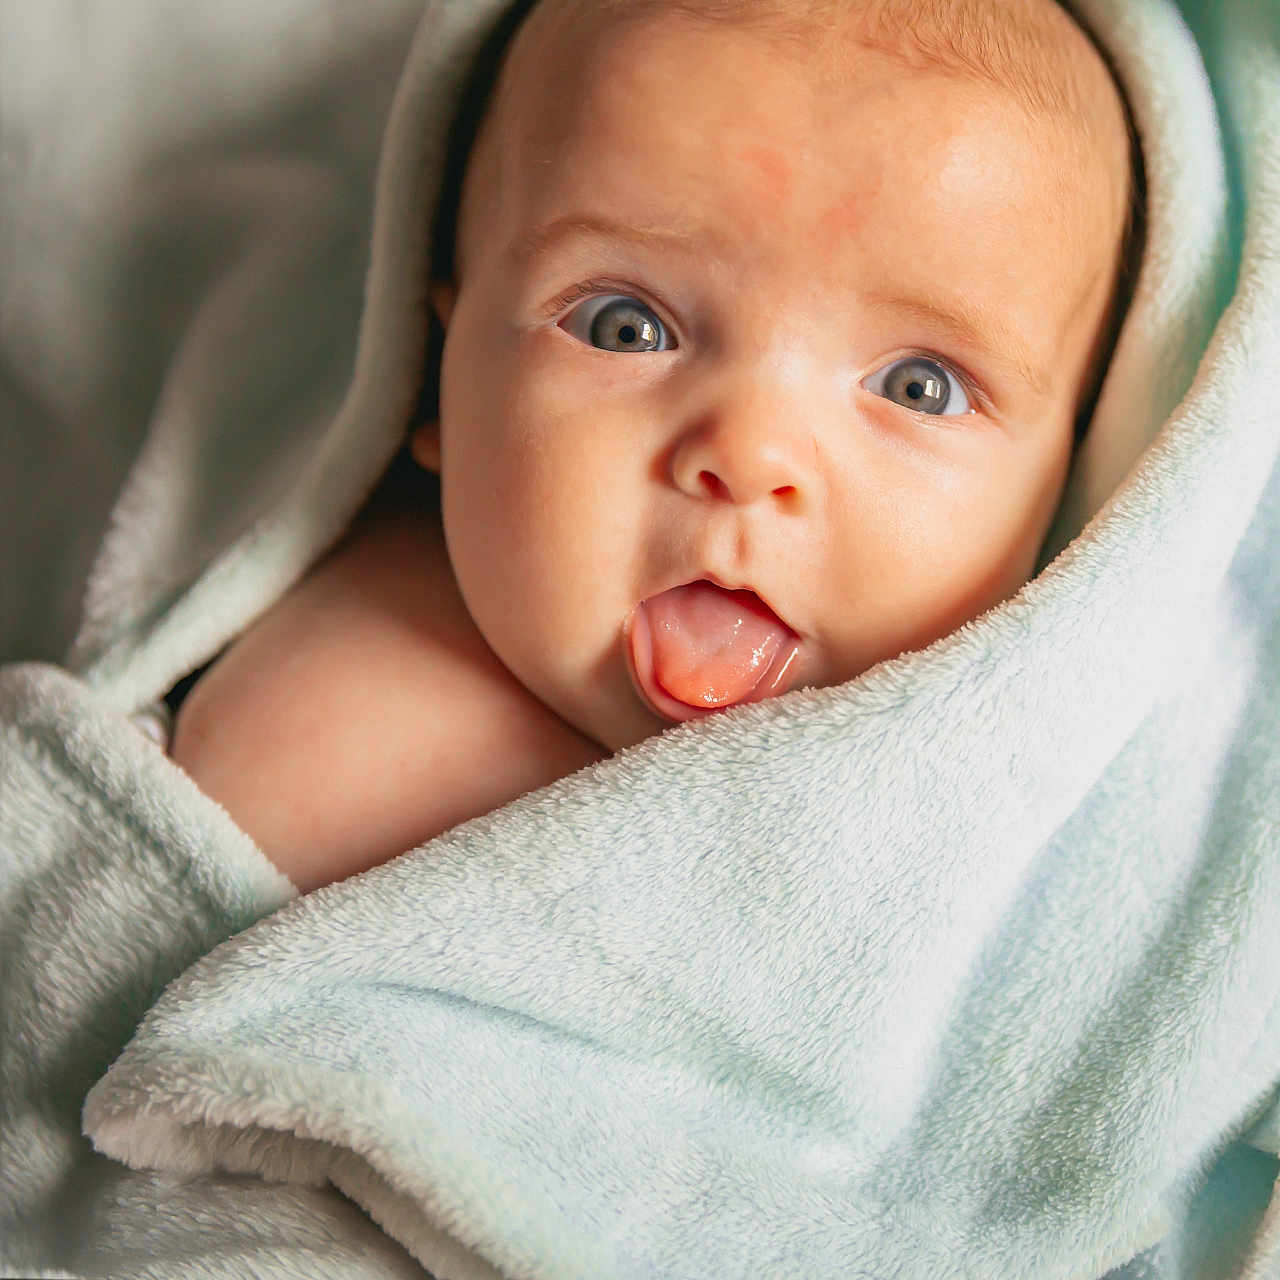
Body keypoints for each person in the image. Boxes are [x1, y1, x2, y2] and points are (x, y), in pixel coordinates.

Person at [167, 0, 1140, 892]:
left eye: (918, 388)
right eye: (624, 328)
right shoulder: (351, 696)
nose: (750, 456)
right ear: (439, 379)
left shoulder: (1037, 827)